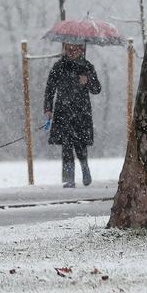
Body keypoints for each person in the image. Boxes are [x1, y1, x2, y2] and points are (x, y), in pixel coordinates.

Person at [44, 41, 101, 187]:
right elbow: (50, 89)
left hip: (82, 112)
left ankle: (85, 168)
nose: (71, 51)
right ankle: (69, 179)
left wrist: (88, 80)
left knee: (81, 145)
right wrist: (48, 109)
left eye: (75, 49)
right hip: (63, 112)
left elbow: (96, 89)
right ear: (64, 49)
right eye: (68, 48)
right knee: (66, 145)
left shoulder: (87, 67)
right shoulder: (58, 67)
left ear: (81, 49)